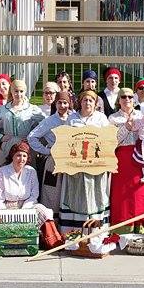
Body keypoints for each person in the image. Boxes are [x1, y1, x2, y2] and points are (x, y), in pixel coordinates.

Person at [57, 89, 112, 233]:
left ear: (95, 103)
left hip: (95, 164)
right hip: (77, 165)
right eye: (85, 100)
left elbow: (108, 140)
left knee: (95, 195)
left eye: (91, 100)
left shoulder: (101, 118)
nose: (87, 103)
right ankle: (73, 232)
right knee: (76, 195)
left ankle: (96, 231)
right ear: (80, 102)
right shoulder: (72, 118)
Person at [108, 89, 144, 234]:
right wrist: (126, 127)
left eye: (130, 96)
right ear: (119, 100)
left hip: (142, 156)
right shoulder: (112, 118)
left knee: (142, 193)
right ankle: (122, 230)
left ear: (134, 100)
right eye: (123, 97)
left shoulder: (142, 115)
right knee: (123, 195)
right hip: (122, 158)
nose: (127, 99)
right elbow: (112, 141)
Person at [28, 91, 75, 215]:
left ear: (69, 103)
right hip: (53, 161)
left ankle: (68, 222)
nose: (62, 106)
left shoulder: (74, 118)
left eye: (65, 102)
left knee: (69, 191)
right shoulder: (49, 121)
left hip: (71, 160)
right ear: (56, 103)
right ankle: (50, 221)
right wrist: (47, 150)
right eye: (59, 102)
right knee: (51, 191)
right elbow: (32, 137)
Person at [0, 79, 45, 166]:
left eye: (21, 91)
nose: (18, 94)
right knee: (5, 171)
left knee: (26, 173)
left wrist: (32, 136)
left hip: (25, 146)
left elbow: (45, 124)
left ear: (25, 92)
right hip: (7, 145)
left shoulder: (32, 109)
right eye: (16, 91)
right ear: (11, 91)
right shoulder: (3, 109)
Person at [0, 141, 54, 223]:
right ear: (12, 156)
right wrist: (5, 212)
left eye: (24, 156)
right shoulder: (2, 172)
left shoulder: (31, 171)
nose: (21, 159)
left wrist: (25, 209)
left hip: (28, 206)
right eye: (18, 155)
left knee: (45, 212)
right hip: (7, 208)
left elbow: (34, 194)